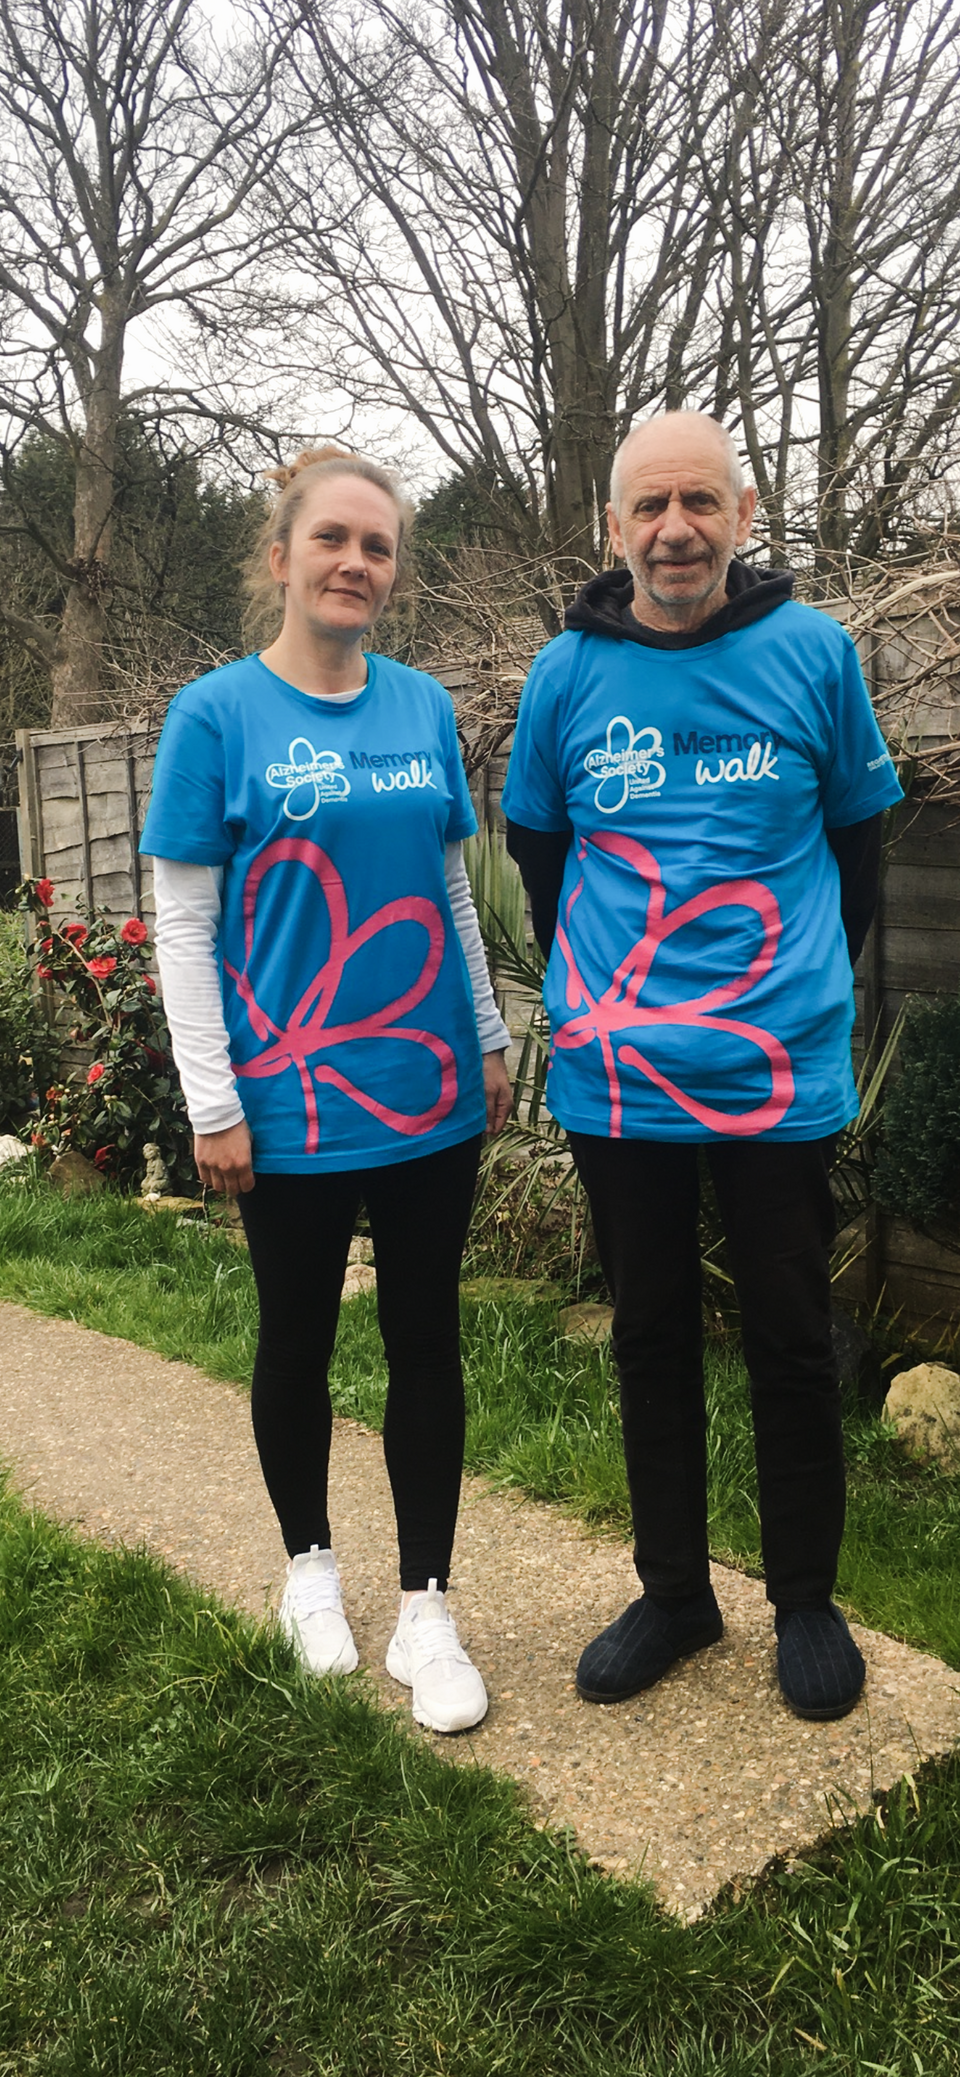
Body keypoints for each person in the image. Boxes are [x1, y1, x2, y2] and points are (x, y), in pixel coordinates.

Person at [502, 411, 903, 1722]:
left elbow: (858, 857)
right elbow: (542, 859)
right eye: (647, 509)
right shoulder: (566, 675)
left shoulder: (815, 656)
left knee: (791, 1337)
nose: (674, 530)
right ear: (613, 530)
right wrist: (621, 998)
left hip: (777, 1081)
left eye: (699, 503)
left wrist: (777, 996)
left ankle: (804, 1598)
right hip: (619, 1086)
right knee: (651, 1332)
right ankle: (675, 1591)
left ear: (741, 512)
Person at [141, 446, 512, 1734]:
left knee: (427, 1343)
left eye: (380, 547)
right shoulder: (215, 717)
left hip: (429, 1092)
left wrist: (492, 1036)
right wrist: (211, 1102)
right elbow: (182, 926)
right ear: (284, 554)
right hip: (286, 1103)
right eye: (334, 540)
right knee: (295, 1341)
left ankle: (426, 1604)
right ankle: (310, 1569)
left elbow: (453, 893)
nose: (357, 563)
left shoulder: (422, 708)